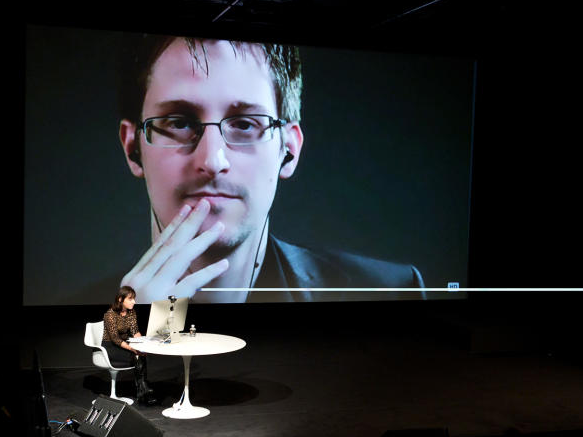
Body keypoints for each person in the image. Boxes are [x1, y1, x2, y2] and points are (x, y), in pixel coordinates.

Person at [116, 35, 426, 303]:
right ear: (133, 148)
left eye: (245, 124)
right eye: (179, 123)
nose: (212, 161)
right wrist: (130, 328)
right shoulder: (103, 325)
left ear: (289, 150)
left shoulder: (390, 290)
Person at [101, 285, 157, 405]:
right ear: (121, 299)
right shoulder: (110, 314)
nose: (134, 302)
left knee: (140, 354)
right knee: (136, 355)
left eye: (134, 299)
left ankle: (143, 390)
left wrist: (143, 344)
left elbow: (135, 331)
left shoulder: (131, 312)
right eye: (130, 299)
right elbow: (115, 339)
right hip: (110, 346)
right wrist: (133, 349)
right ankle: (143, 390)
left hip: (125, 343)